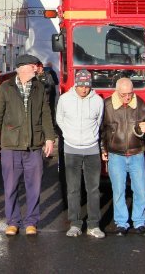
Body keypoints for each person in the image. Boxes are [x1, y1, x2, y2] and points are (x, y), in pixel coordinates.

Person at [0, 53, 55, 236]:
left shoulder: (39, 87)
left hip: (34, 145)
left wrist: (50, 138)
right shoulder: (6, 87)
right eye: (33, 65)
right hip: (10, 145)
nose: (36, 68)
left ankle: (31, 221)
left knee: (34, 186)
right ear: (23, 68)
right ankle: (13, 221)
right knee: (10, 186)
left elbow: (46, 113)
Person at [101, 75, 145, 236]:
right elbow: (101, 130)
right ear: (116, 92)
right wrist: (103, 149)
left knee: (140, 190)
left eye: (130, 94)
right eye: (124, 94)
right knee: (118, 191)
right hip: (116, 154)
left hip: (137, 153)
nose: (127, 97)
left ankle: (140, 221)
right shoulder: (107, 105)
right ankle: (121, 222)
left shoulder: (139, 103)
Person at [56, 69, 105, 238]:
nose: (84, 89)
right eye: (81, 86)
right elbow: (59, 119)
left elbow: (99, 121)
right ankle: (75, 224)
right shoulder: (64, 99)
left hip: (92, 149)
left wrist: (91, 137)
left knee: (93, 189)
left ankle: (94, 225)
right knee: (73, 189)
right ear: (75, 84)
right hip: (71, 148)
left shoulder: (98, 101)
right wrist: (68, 134)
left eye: (87, 86)